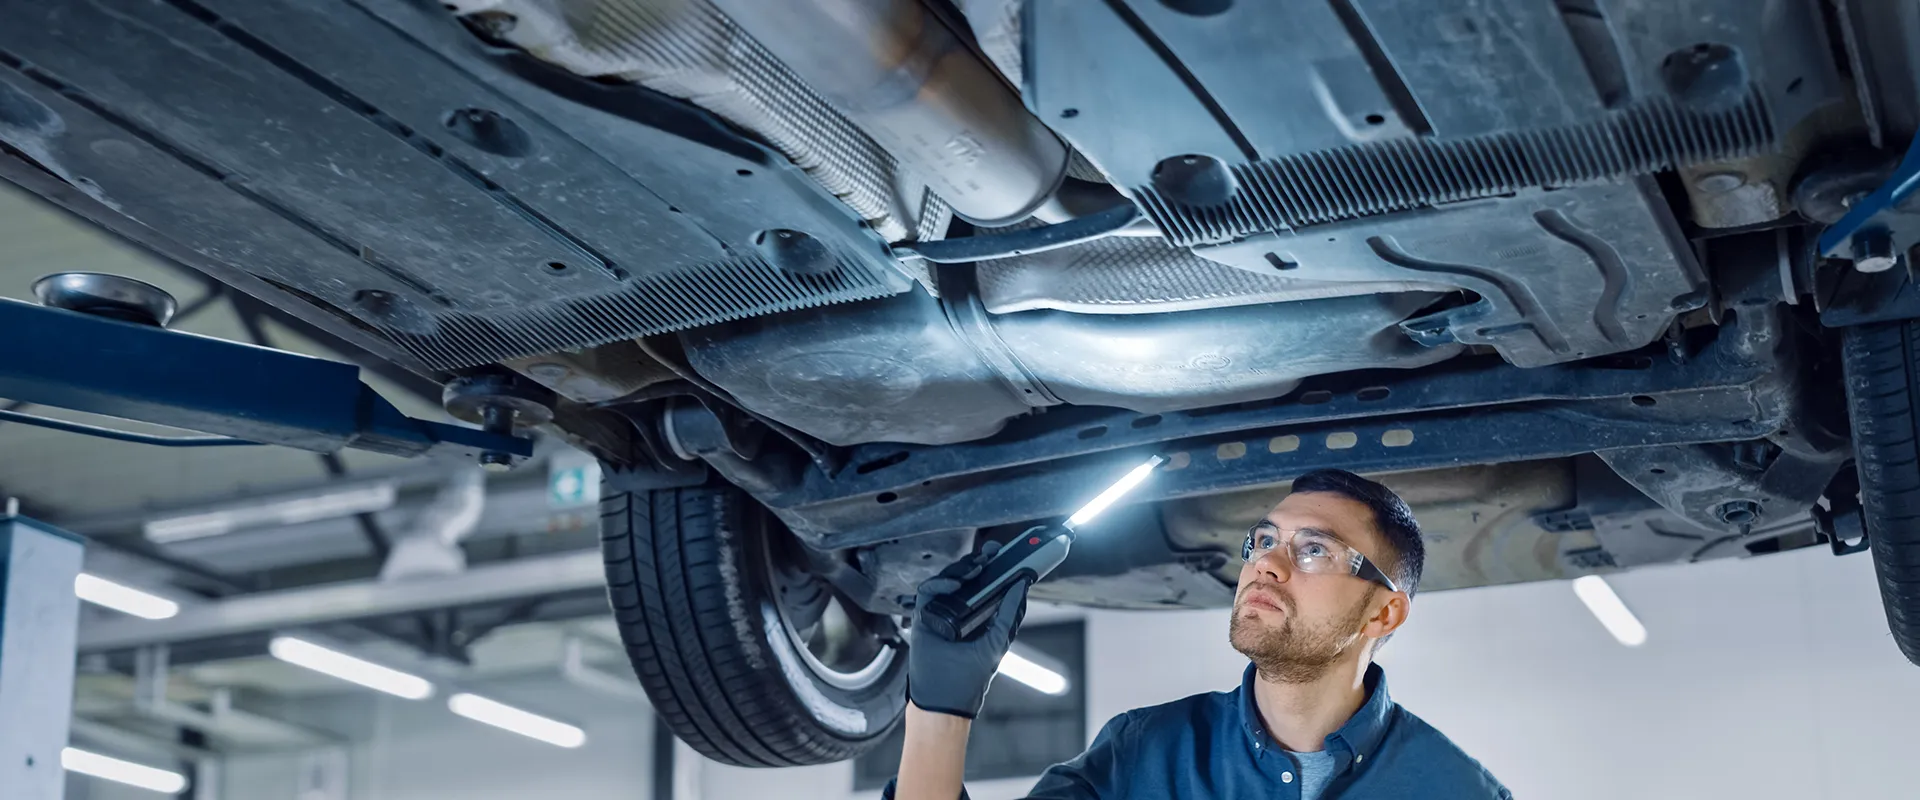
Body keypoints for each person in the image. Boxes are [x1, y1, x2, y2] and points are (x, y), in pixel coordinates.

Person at [888, 468, 1510, 799]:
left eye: (1315, 549)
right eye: (1263, 540)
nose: (1267, 564)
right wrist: (939, 714)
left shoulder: (1460, 792)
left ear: (1384, 614)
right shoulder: (1141, 755)